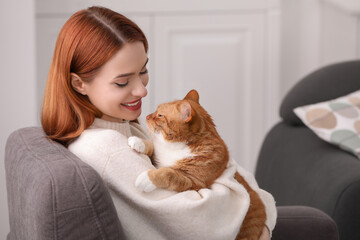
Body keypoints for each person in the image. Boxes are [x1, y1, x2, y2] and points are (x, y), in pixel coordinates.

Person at [41, 6, 276, 240]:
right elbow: (203, 224)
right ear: (79, 84)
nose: (142, 90)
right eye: (122, 82)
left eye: (143, 70)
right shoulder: (108, 151)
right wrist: (259, 212)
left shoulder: (122, 124)